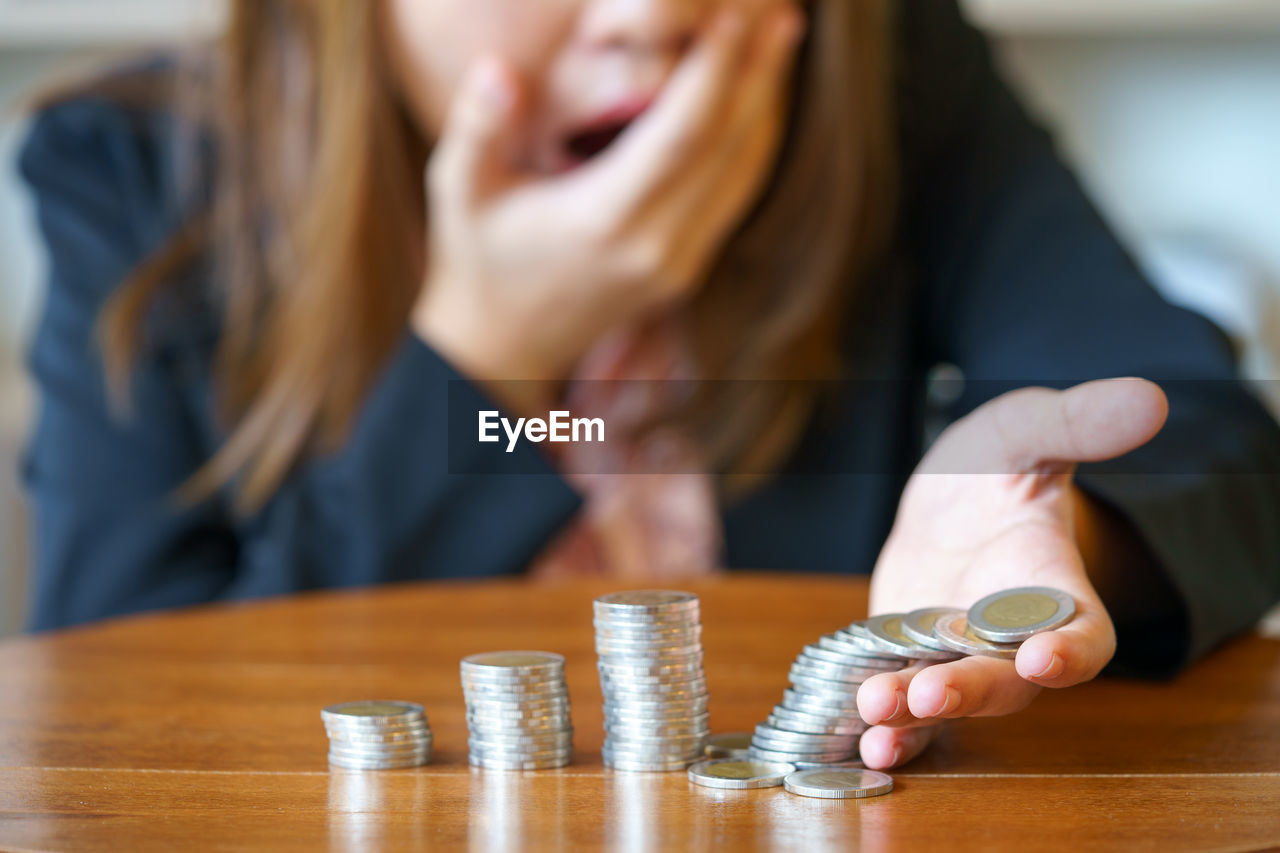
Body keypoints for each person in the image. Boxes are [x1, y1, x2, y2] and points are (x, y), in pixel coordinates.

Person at [18, 0, 1280, 771]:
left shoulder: (876, 75)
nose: (647, 15)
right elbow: (110, 685)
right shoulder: (136, 171)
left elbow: (1198, 429)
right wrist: (482, 365)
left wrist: (1056, 532)